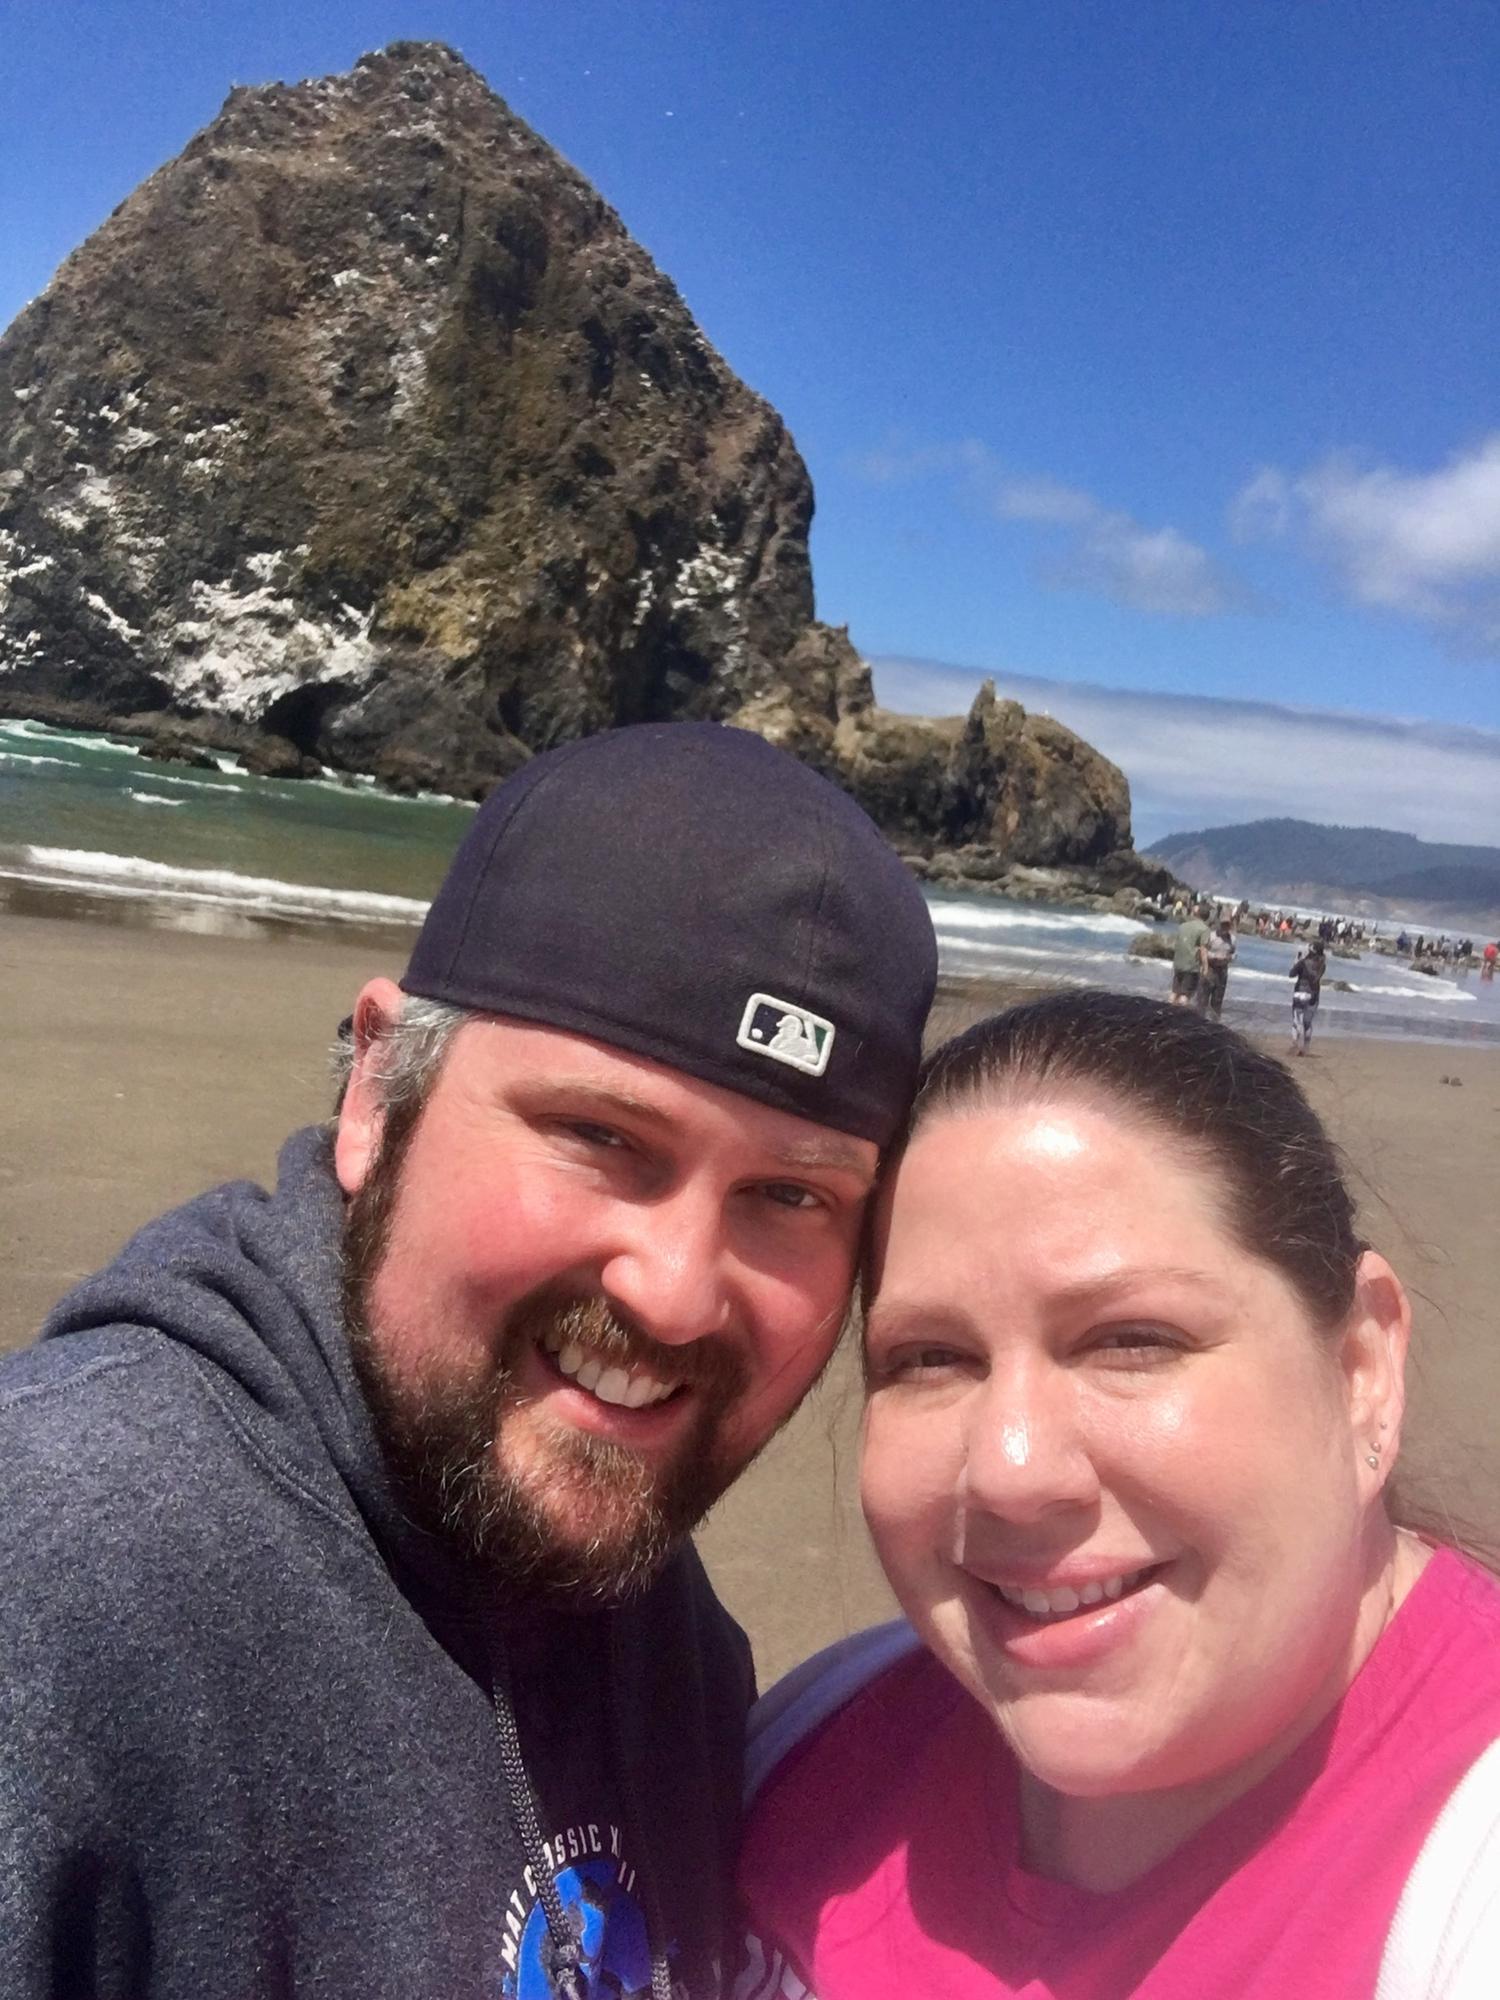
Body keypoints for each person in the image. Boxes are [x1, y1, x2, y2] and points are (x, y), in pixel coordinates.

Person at [0, 721, 938, 2000]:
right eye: (601, 1133)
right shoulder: (49, 1593)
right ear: (378, 1091)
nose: (671, 1293)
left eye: (790, 1195)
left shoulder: (679, 1646)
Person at [737, 993, 1500, 1999]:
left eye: (1130, 1339)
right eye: (930, 1356)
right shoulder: (812, 1745)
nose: (1010, 1467)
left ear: (1362, 1366)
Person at [1169, 900, 1211, 1006]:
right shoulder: (1204, 929)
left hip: (1178, 962)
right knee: (1185, 995)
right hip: (1191, 966)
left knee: (1174, 991)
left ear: (1195, 914)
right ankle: (1179, 1016)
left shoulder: (1183, 926)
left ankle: (1167, 1010)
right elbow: (1203, 949)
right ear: (1207, 917)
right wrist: (1205, 967)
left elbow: (1177, 943)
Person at [1290, 936, 1326, 1055]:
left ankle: (1295, 1043)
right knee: (1307, 1023)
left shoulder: (1303, 962)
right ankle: (1305, 1047)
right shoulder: (1322, 965)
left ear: (1311, 950)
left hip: (1300, 991)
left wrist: (1296, 961)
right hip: (1314, 994)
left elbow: (1291, 974)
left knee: (1297, 1020)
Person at [1196, 916, 1236, 1021]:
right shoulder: (1211, 936)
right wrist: (1214, 956)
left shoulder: (1232, 939)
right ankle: (1198, 1022)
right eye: (1223, 925)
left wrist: (1230, 958)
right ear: (1219, 925)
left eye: (1227, 925)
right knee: (1202, 1000)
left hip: (1222, 972)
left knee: (1217, 1001)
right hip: (1209, 969)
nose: (1225, 927)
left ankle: (1214, 1025)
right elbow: (1202, 950)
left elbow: (1233, 953)